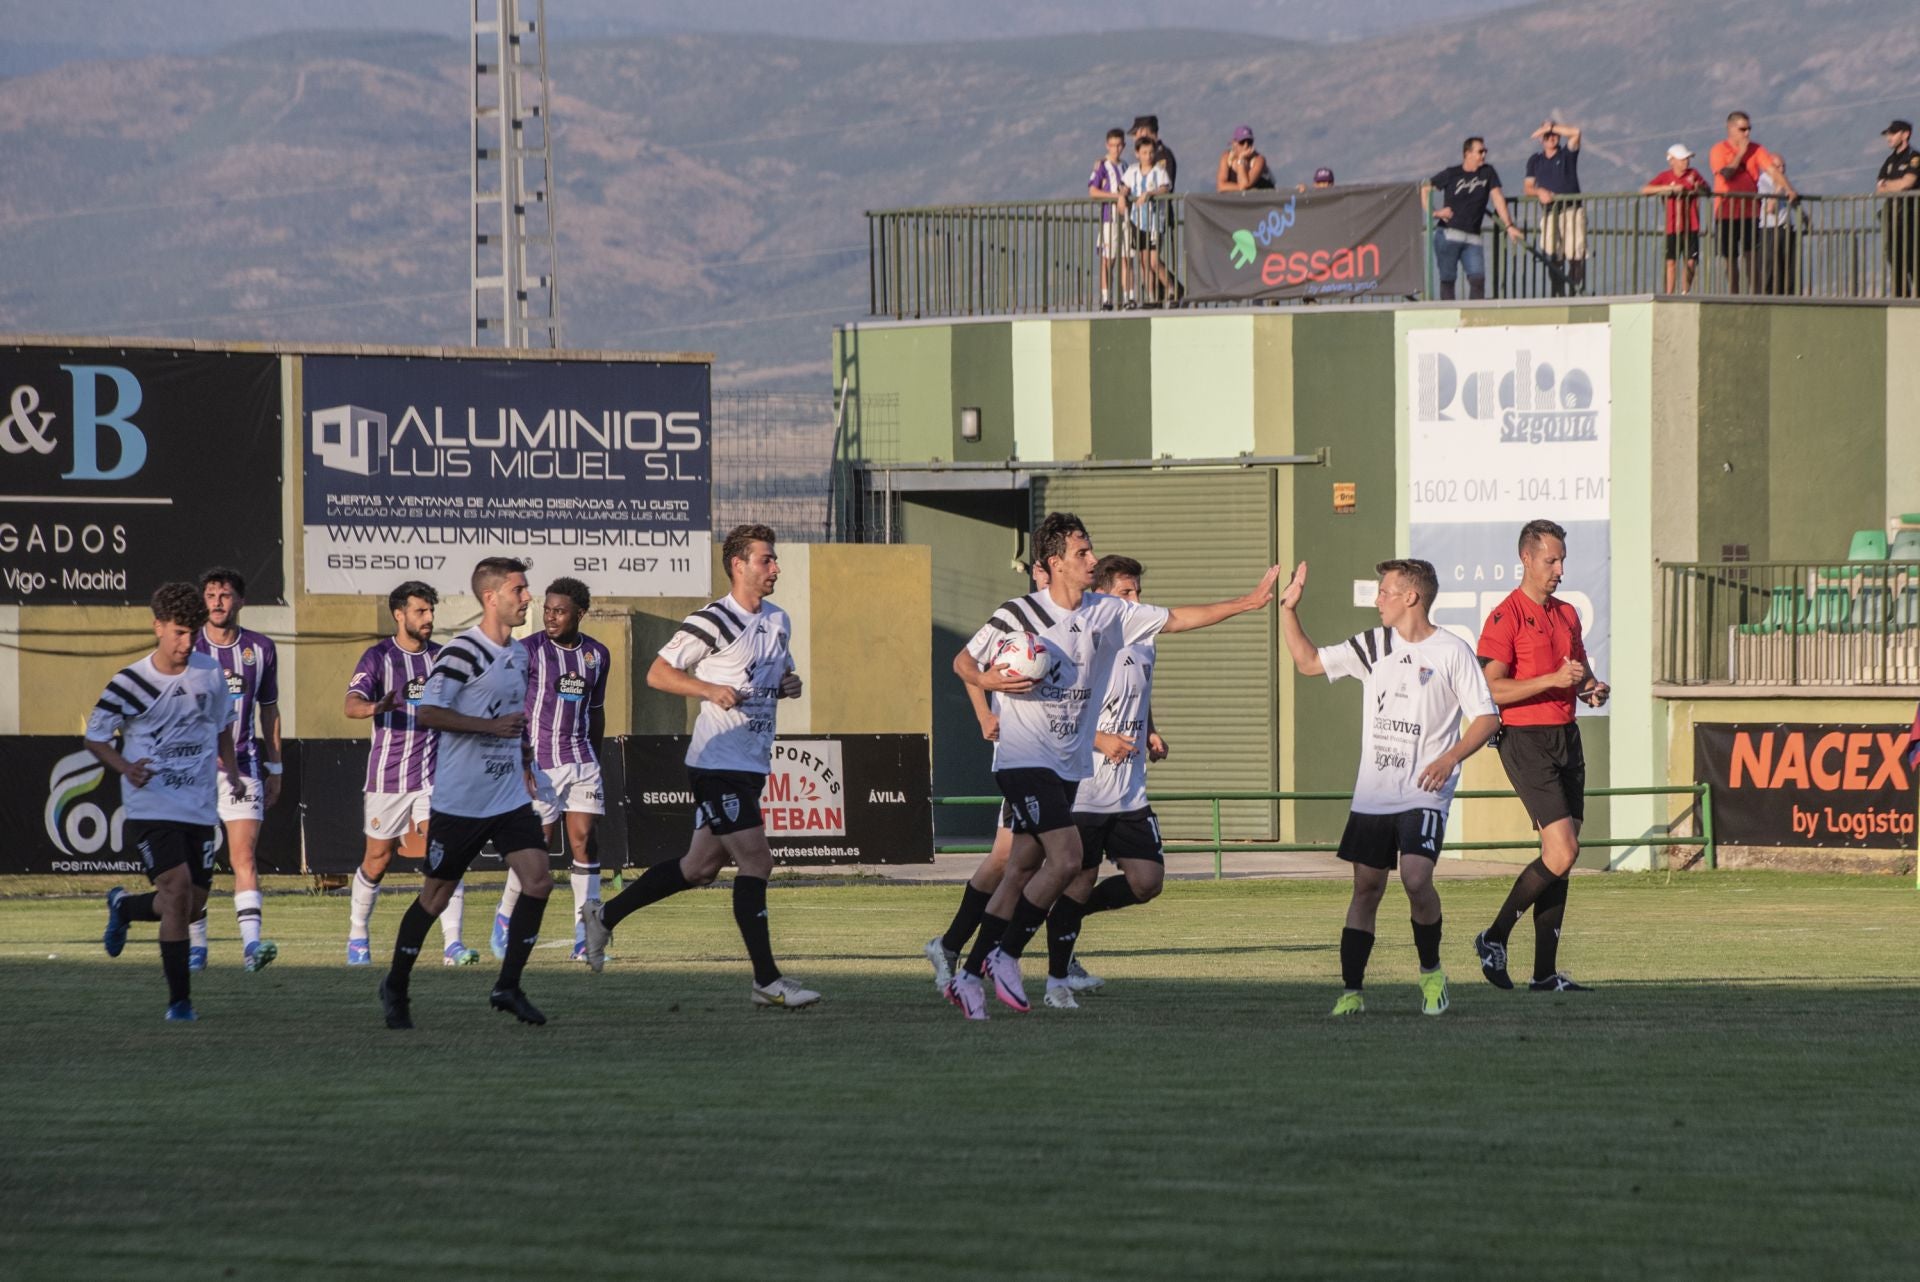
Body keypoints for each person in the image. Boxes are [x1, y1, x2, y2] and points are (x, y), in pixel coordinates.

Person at [942, 511, 1279, 1020]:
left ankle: (968, 976)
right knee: (1067, 857)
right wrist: (988, 685)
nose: (1092, 559)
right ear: (1055, 564)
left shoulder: (1109, 612)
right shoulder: (1019, 614)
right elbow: (964, 662)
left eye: (1090, 550)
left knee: (1024, 867)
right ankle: (1005, 955)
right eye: (1082, 553)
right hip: (1022, 758)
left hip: (1067, 766)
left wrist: (1247, 603)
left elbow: (1181, 618)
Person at [581, 525, 821, 1009]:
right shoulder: (714, 619)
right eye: (766, 560)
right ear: (738, 565)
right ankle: (766, 981)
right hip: (717, 763)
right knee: (757, 861)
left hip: (751, 763)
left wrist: (790, 683)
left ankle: (603, 917)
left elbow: (779, 672)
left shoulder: (778, 621)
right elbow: (658, 672)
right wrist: (708, 690)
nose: (775, 568)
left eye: (774, 560)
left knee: (699, 868)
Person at [1278, 559, 1500, 1017]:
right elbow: (1307, 662)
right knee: (1367, 887)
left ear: (1411, 597)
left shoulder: (1452, 651)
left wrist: (1449, 757)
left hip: (1425, 791)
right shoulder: (1372, 644)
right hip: (1374, 794)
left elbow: (1488, 717)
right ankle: (1352, 991)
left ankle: (1431, 971)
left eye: (1385, 591)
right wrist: (1288, 609)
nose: (1378, 599)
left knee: (1417, 878)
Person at [377, 557, 552, 1030]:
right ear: (491, 597)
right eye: (519, 590)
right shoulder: (461, 652)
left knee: (539, 881)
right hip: (460, 802)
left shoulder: (518, 654)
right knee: (434, 898)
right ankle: (395, 984)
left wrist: (523, 754)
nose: (527, 597)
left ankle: (508, 986)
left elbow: (511, 715)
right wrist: (488, 726)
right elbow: (429, 713)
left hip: (508, 797)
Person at [94, 583, 245, 1021]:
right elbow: (96, 736)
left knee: (190, 905)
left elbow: (221, 727)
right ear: (157, 627)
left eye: (192, 633)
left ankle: (124, 906)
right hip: (150, 805)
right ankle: (180, 1002)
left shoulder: (210, 673)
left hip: (198, 806)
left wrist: (231, 771)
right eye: (179, 632)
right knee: (177, 891)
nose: (187, 643)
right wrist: (125, 767)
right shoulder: (131, 682)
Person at [1471, 520, 1610, 994]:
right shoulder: (1505, 616)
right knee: (1563, 850)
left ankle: (1544, 974)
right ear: (1527, 559)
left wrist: (1591, 688)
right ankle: (1493, 936)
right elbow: (1492, 687)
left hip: (1566, 736)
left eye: (1563, 559)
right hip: (1524, 739)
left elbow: (1579, 672)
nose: (1559, 569)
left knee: (1562, 855)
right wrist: (1551, 680)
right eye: (1551, 560)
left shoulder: (1567, 614)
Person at [1038, 555, 1171, 1010]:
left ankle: (1064, 917)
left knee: (1147, 882)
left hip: (1130, 790)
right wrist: (1100, 739)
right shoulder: (1089, 644)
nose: (1136, 601)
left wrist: (1149, 728)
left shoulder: (1146, 642)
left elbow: (1141, 695)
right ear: (1105, 599)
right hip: (1088, 788)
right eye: (1126, 594)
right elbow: (1060, 707)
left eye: (1138, 592)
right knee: (1079, 878)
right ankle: (1058, 979)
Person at [342, 581, 475, 967]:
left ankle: (453, 943)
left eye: (431, 610)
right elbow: (350, 705)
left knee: (448, 853)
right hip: (388, 778)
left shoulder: (443, 657)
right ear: (399, 614)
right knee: (377, 860)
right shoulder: (378, 657)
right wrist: (373, 708)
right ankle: (357, 935)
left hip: (435, 777)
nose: (429, 618)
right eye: (420, 611)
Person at [490, 576, 611, 964]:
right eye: (547, 610)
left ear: (580, 613)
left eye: (560, 611)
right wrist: (520, 758)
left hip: (582, 760)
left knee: (584, 840)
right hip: (539, 763)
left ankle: (584, 932)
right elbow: (507, 704)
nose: (551, 617)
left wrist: (596, 755)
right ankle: (506, 915)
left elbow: (596, 710)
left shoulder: (597, 655)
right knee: (536, 847)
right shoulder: (526, 651)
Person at [192, 567, 280, 973]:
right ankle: (196, 945)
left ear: (240, 601)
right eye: (210, 595)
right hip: (191, 769)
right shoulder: (188, 646)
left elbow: (269, 709)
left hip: (243, 766)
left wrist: (275, 766)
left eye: (224, 595)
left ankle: (251, 947)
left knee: (243, 855)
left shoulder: (260, 649)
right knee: (196, 859)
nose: (216, 602)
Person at [1427, 137, 1525, 300]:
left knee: (1478, 279)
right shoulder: (1452, 173)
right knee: (1448, 280)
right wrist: (1435, 213)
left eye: (1485, 151)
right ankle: (1450, 319)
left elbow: (1497, 198)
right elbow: (1425, 188)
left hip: (1473, 237)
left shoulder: (1487, 172)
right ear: (1468, 153)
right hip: (1448, 234)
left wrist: (1509, 226)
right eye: (1480, 151)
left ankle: (1473, 319)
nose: (1484, 155)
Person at [1708, 112, 1794, 295]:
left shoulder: (1758, 149)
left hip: (1750, 212)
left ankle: (1755, 295)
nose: (1746, 133)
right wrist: (1740, 153)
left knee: (1751, 255)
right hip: (1726, 212)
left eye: (1749, 129)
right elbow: (1726, 174)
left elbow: (1771, 170)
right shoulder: (1719, 150)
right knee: (1730, 257)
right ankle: (1734, 294)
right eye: (1742, 129)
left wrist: (1788, 188)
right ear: (1731, 129)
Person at [1524, 120, 1586, 295]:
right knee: (1553, 255)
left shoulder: (1567, 154)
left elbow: (1576, 132)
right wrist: (1539, 192)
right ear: (1541, 140)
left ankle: (1574, 292)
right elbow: (1528, 187)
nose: (1551, 137)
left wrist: (1550, 127)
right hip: (1550, 212)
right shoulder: (1535, 160)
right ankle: (1558, 293)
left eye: (1554, 134)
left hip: (1572, 210)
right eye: (1546, 135)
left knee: (1576, 255)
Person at [1642, 144, 1709, 294]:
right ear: (1672, 161)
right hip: (1672, 225)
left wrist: (1699, 189)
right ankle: (1669, 293)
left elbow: (1707, 189)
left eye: (1687, 159)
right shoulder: (1665, 177)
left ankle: (1685, 291)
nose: (1686, 163)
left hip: (1691, 224)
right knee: (1671, 261)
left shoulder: (1693, 174)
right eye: (1682, 159)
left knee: (1691, 261)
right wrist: (1669, 189)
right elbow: (1645, 190)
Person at [1125, 134, 1177, 307]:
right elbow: (1123, 187)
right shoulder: (1132, 171)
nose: (1148, 156)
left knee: (1153, 261)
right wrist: (1120, 196)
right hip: (1137, 221)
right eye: (1144, 152)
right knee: (1143, 261)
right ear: (1137, 153)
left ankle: (1171, 288)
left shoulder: (1159, 172)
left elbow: (1164, 189)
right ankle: (1151, 297)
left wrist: (1150, 194)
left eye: (1151, 152)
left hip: (1154, 223)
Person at [1088, 128, 1132, 311]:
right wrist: (1116, 197)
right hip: (1109, 218)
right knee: (1108, 259)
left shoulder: (1126, 166)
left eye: (1119, 145)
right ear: (1107, 145)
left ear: (1123, 146)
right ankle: (1106, 299)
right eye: (1113, 145)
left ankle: (1129, 297)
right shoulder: (1102, 166)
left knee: (1127, 257)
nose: (1116, 149)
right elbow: (1093, 191)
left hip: (1126, 218)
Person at [1875, 119, 1919, 299]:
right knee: (1895, 260)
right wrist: (1891, 185)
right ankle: (1902, 298)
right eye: (1888, 134)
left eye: (1893, 133)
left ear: (1905, 134)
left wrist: (1888, 184)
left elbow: (1907, 183)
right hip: (1894, 219)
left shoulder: (1914, 157)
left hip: (1913, 218)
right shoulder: (1890, 160)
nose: (1889, 138)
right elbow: (1879, 189)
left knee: (1914, 261)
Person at [1754, 159, 1805, 296]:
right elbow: (1770, 208)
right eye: (1778, 167)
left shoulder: (1784, 181)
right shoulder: (1763, 182)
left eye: (1784, 166)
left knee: (1788, 268)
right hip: (1770, 228)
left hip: (1786, 227)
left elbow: (1792, 198)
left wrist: (1804, 217)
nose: (1782, 170)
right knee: (1771, 268)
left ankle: (1789, 296)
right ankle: (1769, 297)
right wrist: (1778, 189)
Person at [1215, 125, 1274, 192]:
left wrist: (1241, 159)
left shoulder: (1259, 160)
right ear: (1234, 143)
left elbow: (1245, 185)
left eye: (1249, 142)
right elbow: (1221, 186)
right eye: (1242, 142)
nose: (1246, 146)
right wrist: (1240, 187)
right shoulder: (1227, 157)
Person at [1130, 115, 1177, 191]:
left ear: (1144, 132)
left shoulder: (1161, 155)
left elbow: (1165, 185)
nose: (1134, 139)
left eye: (1135, 134)